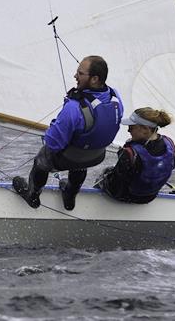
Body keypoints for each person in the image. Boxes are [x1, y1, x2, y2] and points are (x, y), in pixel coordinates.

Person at [12, 55, 123, 211]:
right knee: (80, 153)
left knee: (42, 161)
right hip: (97, 156)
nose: (75, 76)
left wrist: (51, 128)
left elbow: (53, 143)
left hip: (69, 158)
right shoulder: (115, 98)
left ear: (95, 79)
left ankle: (33, 195)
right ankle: (70, 196)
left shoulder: (74, 107)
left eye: (80, 74)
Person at [95, 107, 175, 204]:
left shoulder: (130, 153)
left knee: (106, 172)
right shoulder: (170, 144)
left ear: (145, 129)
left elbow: (116, 187)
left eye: (132, 127)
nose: (128, 131)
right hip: (150, 197)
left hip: (127, 197)